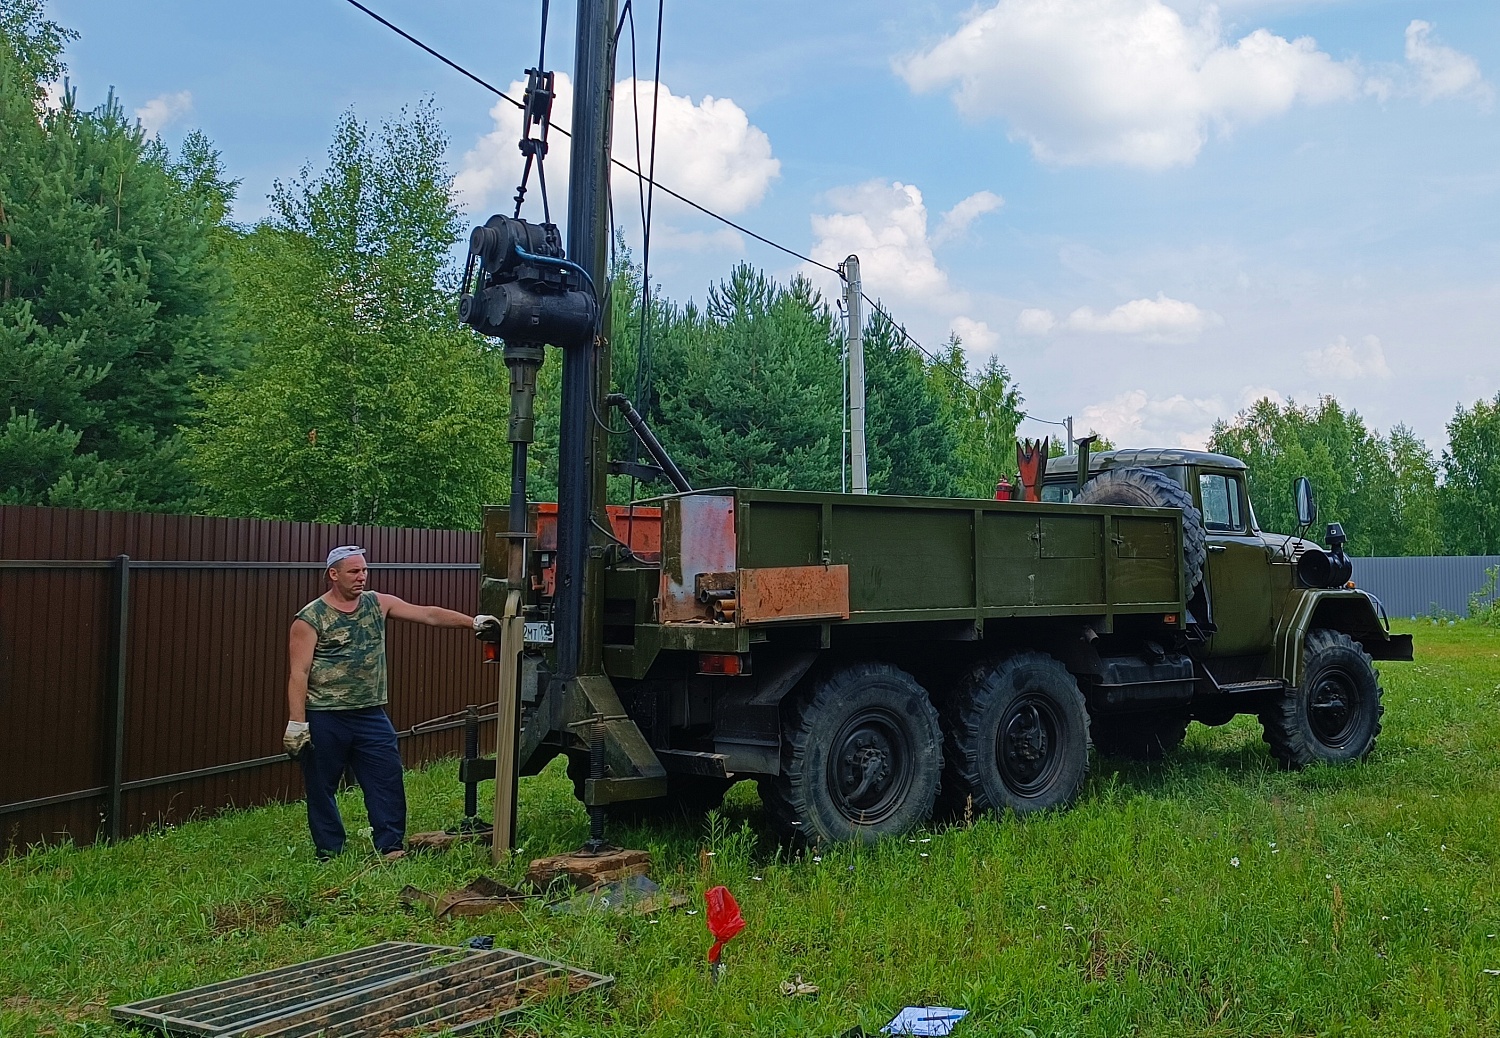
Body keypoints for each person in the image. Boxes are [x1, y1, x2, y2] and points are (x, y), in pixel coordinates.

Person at [283, 545, 496, 860]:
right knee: (321, 786)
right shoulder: (310, 618)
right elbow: (298, 674)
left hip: (370, 715)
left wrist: (473, 623)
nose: (362, 577)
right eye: (354, 571)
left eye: (364, 570)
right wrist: (297, 723)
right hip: (326, 716)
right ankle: (330, 850)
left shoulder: (376, 603)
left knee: (387, 778)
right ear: (333, 574)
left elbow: (428, 614)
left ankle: (390, 847)